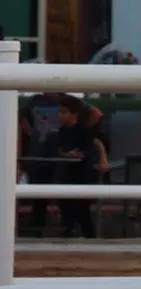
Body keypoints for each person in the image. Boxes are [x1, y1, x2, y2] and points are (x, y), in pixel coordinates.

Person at [53, 94, 109, 238]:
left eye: (64, 112)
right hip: (66, 173)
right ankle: (66, 235)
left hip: (83, 172)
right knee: (65, 208)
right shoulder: (62, 131)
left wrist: (103, 160)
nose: (59, 115)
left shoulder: (84, 129)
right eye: (59, 112)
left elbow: (97, 143)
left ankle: (89, 237)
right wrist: (68, 154)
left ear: (74, 114)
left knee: (82, 208)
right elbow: (60, 149)